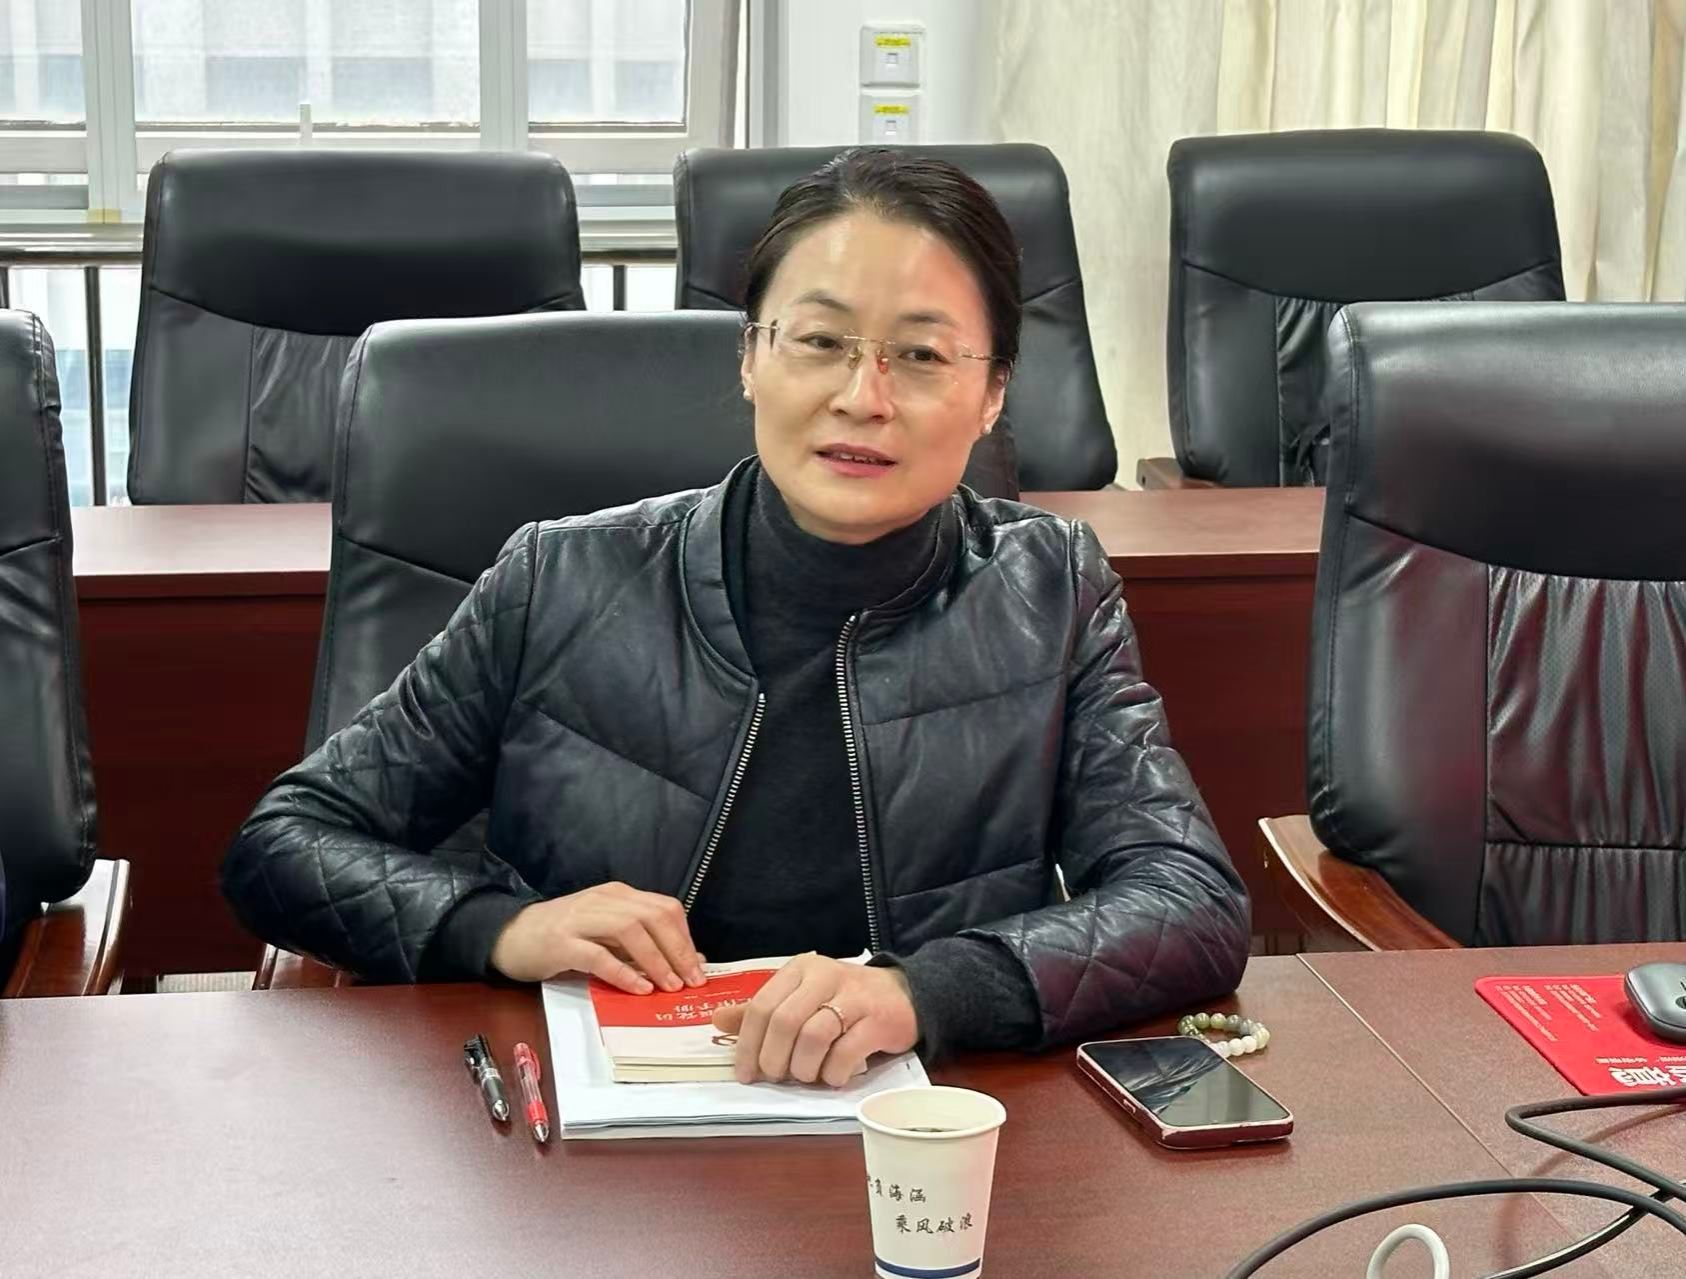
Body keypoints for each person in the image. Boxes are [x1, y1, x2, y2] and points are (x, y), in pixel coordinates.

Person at [222, 148, 1249, 1087]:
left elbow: (1190, 898)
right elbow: (285, 842)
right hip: (589, 1133)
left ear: (993, 396)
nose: (864, 396)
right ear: (751, 356)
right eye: (821, 341)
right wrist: (502, 928)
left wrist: (926, 991)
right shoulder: (559, 579)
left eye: (923, 356)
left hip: (912, 1129)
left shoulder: (1051, 588)